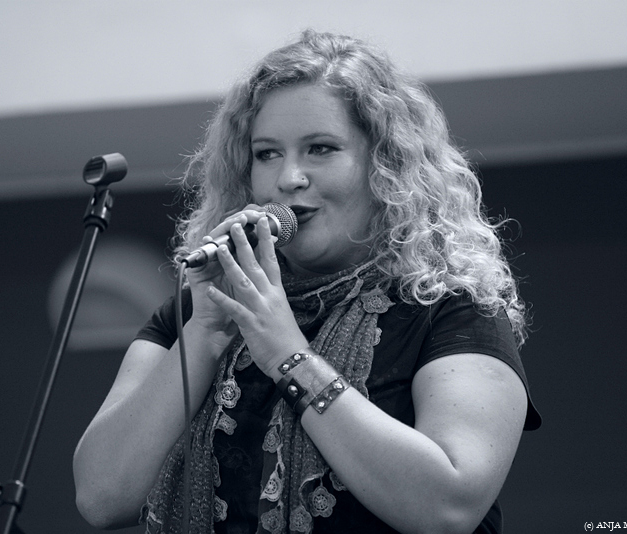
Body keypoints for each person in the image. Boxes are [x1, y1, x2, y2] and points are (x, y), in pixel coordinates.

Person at [73, 29, 541, 534]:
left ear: (386, 166)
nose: (288, 178)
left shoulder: (450, 308)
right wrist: (205, 330)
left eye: (320, 149)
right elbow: (101, 498)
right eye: (267, 153)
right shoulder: (194, 311)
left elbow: (448, 508)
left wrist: (287, 353)